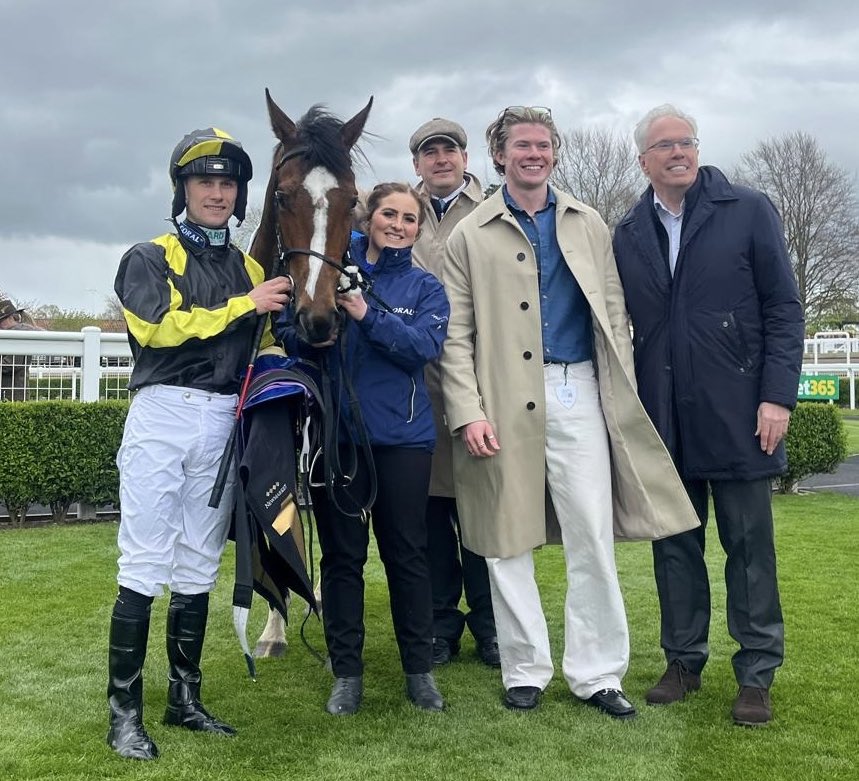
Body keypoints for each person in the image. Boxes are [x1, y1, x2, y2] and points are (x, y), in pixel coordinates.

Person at [440, 106, 699, 716]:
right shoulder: (468, 235)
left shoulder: (588, 223)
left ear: (555, 153)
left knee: (592, 536)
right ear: (500, 155)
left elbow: (613, 314)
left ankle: (598, 674)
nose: (534, 154)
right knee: (507, 542)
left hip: (577, 387)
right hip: (500, 399)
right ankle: (523, 668)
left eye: (544, 145)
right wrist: (467, 411)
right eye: (521, 145)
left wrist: (619, 398)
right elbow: (455, 335)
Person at [612, 104, 804, 726]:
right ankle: (683, 662)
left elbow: (784, 307)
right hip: (664, 417)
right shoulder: (629, 231)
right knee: (675, 547)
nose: (680, 153)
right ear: (643, 159)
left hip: (744, 411)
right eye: (665, 146)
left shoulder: (747, 209)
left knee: (749, 547)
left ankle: (755, 673)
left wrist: (777, 396)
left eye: (687, 142)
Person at [107, 127, 292, 760]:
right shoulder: (149, 256)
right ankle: (123, 715)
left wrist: (288, 371)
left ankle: (184, 700)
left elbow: (262, 344)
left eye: (226, 183)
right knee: (144, 562)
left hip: (223, 423)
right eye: (204, 182)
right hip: (163, 416)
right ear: (182, 189)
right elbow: (158, 328)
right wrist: (247, 306)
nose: (216, 192)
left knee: (196, 566)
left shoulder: (249, 266)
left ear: (239, 195)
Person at [285, 183, 450, 716]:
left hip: (403, 441)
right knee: (342, 560)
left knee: (407, 556)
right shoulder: (327, 265)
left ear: (417, 229)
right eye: (388, 214)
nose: (397, 224)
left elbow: (421, 348)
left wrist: (364, 314)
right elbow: (290, 331)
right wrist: (311, 336)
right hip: (338, 439)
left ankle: (419, 673)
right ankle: (347, 674)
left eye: (408, 218)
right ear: (369, 217)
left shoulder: (426, 288)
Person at [408, 118, 499, 668]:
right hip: (417, 385)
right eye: (429, 152)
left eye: (450, 150)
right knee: (430, 516)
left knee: (484, 511)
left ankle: (491, 625)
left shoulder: (492, 207)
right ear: (416, 162)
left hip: (479, 379)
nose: (441, 159)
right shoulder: (396, 210)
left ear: (466, 158)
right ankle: (441, 624)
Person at [0, 299, 44, 401]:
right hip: (14, 391)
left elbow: (9, 365)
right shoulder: (20, 332)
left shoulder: (18, 334)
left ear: (9, 318)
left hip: (13, 394)